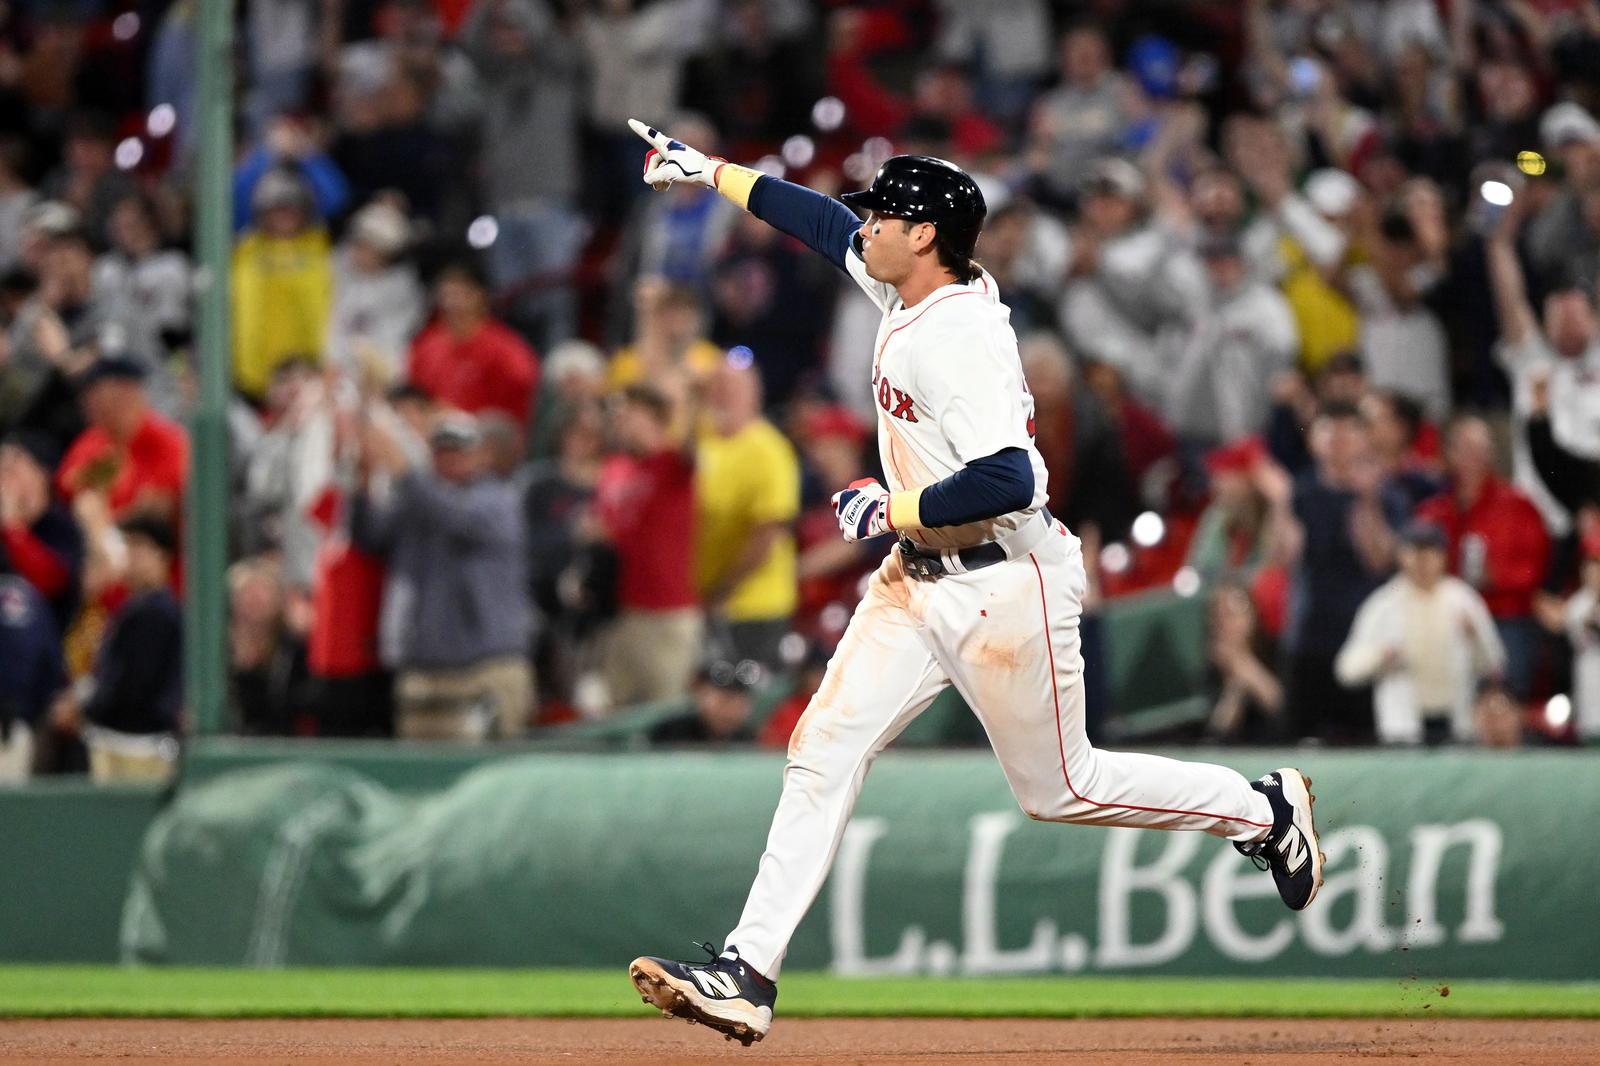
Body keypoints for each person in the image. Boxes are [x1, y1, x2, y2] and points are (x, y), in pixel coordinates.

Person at [623, 120, 1325, 1046]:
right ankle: (748, 972)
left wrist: (891, 510)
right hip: (916, 584)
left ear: (923, 236)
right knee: (822, 748)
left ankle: (1262, 809)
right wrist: (708, 170)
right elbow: (817, 222)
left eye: (882, 212)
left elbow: (1013, 480)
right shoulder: (909, 279)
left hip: (1005, 580)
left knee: (1061, 789)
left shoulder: (959, 338)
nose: (863, 221)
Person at [352, 410, 535, 740]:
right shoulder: (418, 502)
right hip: (426, 667)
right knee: (422, 776)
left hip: (486, 666)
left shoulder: (497, 500)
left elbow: (454, 517)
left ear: (479, 455)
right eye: (442, 451)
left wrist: (402, 468)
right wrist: (363, 480)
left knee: (484, 774)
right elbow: (371, 537)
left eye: (460, 450)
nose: (451, 459)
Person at [1415, 416, 1552, 701]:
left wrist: (1497, 577)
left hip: (1505, 618)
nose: (1474, 457)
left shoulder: (1518, 504)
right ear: (1449, 453)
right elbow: (1417, 560)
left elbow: (1537, 565)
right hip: (1449, 618)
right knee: (1452, 701)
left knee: (1508, 697)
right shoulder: (1434, 510)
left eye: (1481, 448)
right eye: (1465, 447)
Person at [1335, 520, 1506, 746]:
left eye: (1430, 552)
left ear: (1442, 557)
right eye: (1414, 552)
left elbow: (1495, 665)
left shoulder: (1463, 600)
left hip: (1456, 723)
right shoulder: (1383, 604)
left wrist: (1475, 640)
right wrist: (1379, 657)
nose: (1422, 561)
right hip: (1403, 725)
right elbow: (1346, 669)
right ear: (1401, 556)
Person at [53, 513, 183, 784]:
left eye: (140, 547)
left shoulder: (155, 612)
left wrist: (85, 708)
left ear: (163, 556)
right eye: (129, 546)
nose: (131, 556)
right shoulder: (136, 606)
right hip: (124, 740)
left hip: (138, 745)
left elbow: (130, 686)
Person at [592, 383, 699, 709]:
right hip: (620, 609)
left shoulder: (672, 464)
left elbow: (692, 446)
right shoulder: (614, 468)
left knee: (662, 713)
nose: (621, 419)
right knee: (614, 710)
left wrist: (688, 397)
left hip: (666, 611)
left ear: (657, 418)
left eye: (630, 412)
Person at [695, 353, 801, 672]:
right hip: (703, 599)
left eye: (732, 387)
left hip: (753, 603)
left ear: (755, 394)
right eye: (717, 386)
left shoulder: (769, 449)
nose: (723, 394)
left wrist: (722, 588)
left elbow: (767, 532)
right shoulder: (701, 439)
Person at [407, 261, 540, 427]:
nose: (451, 303)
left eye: (459, 294)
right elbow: (413, 397)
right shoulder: (426, 345)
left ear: (480, 296)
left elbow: (516, 411)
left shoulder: (507, 352)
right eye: (446, 295)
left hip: (484, 440)